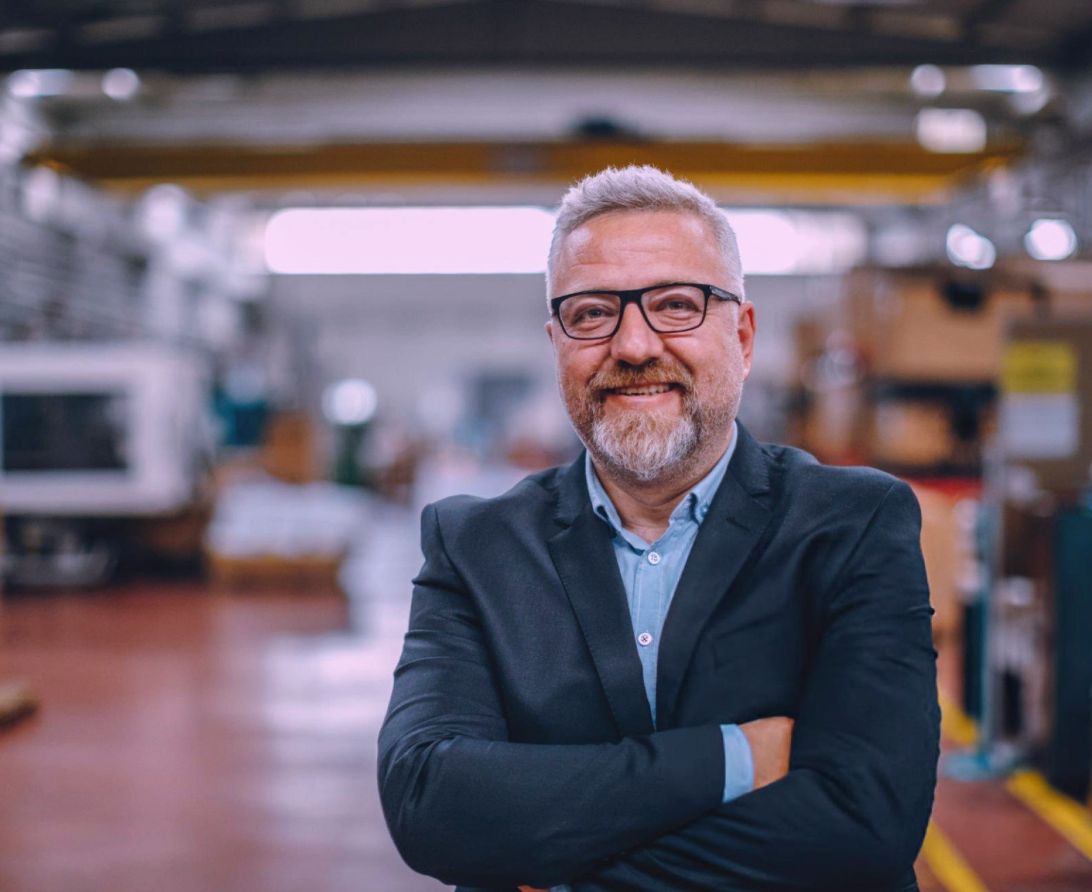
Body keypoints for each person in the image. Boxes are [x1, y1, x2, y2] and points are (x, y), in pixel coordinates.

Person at [378, 165, 940, 892]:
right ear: (557, 341)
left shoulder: (853, 523)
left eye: (676, 305)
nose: (635, 345)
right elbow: (430, 802)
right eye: (591, 314)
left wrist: (567, 872)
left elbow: (867, 819)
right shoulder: (475, 546)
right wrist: (734, 757)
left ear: (741, 333)